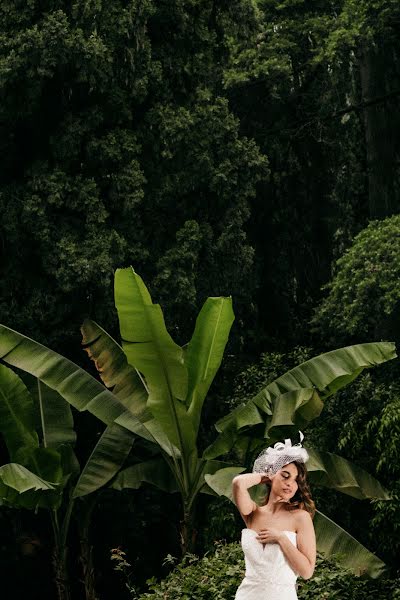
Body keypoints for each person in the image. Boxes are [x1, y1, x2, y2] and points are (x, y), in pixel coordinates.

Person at [232, 433, 316, 600]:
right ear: (272, 475)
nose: (290, 484)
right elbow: (238, 483)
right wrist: (265, 476)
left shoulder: (300, 517)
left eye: (295, 481)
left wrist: (281, 538)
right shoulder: (253, 513)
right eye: (285, 476)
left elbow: (307, 572)